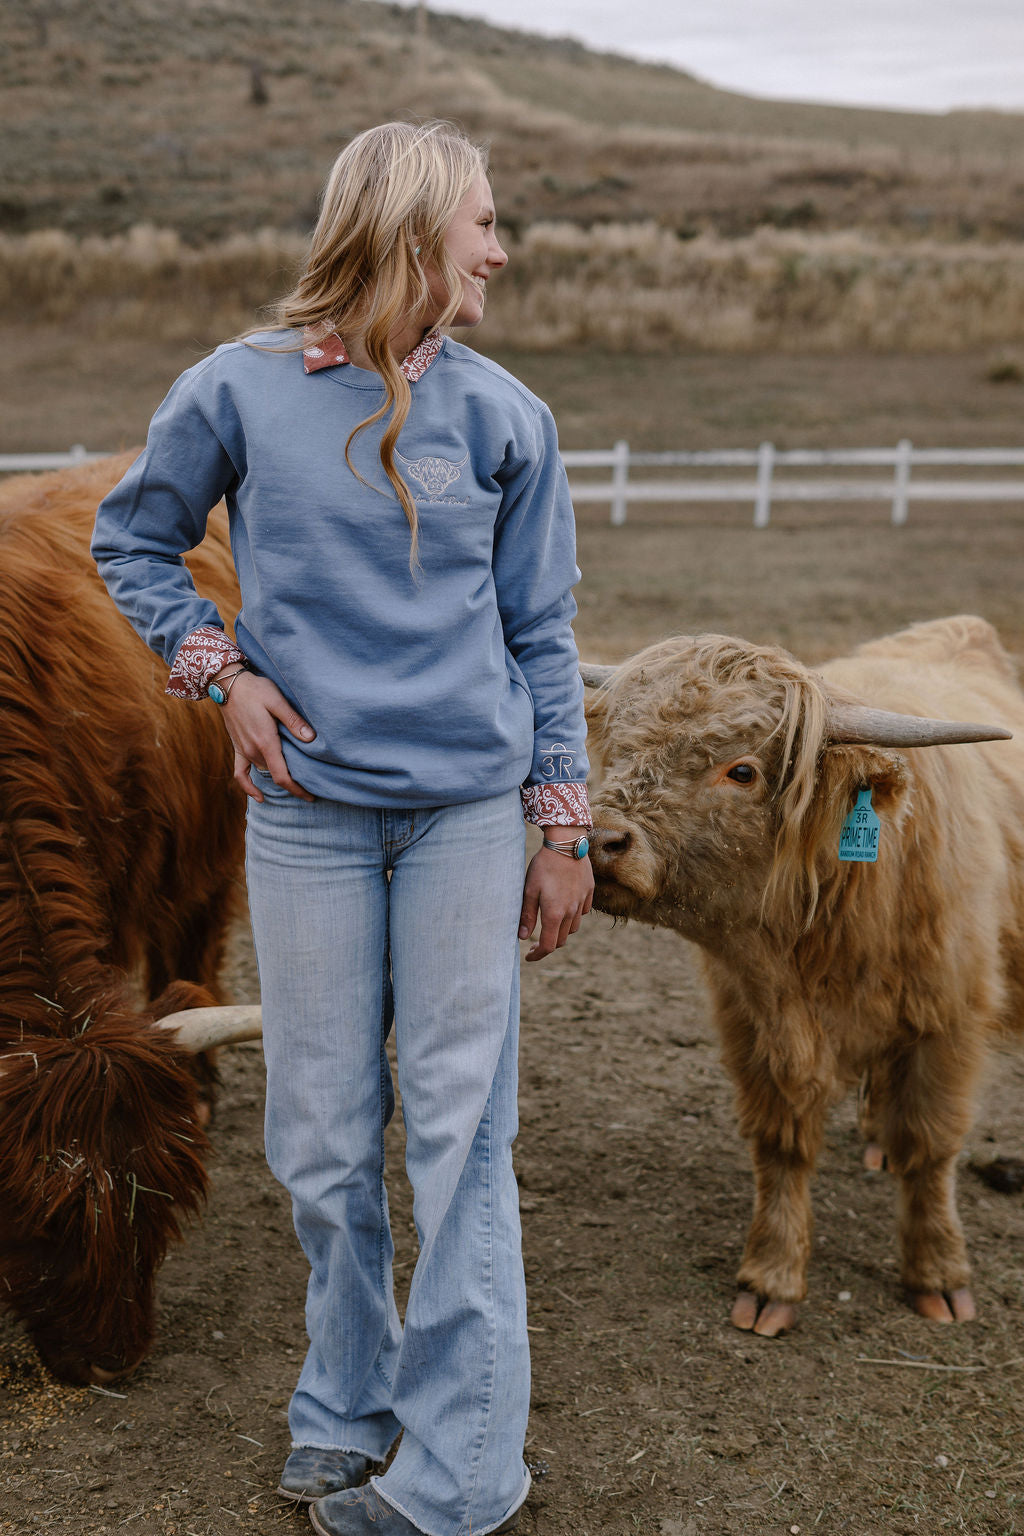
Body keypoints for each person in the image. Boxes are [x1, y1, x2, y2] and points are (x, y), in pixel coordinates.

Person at [91, 121, 593, 1536]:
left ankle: (459, 1479)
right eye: (483, 224)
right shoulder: (236, 391)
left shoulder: (507, 417)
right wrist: (221, 676)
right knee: (318, 1137)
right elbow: (130, 540)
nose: (500, 250)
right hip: (306, 817)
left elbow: (545, 635)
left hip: (465, 820)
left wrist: (563, 827)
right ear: (411, 226)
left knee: (457, 1134)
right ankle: (348, 1398)